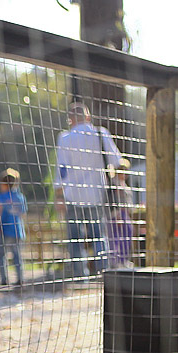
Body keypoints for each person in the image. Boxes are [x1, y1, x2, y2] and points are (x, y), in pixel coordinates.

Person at [54, 101, 126, 279]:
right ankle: (103, 274)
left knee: (75, 240)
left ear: (70, 120)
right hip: (96, 194)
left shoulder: (64, 138)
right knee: (99, 236)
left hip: (73, 195)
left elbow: (61, 169)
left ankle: (80, 276)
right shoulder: (100, 133)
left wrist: (59, 196)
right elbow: (118, 163)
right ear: (88, 116)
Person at [0, 168, 27, 286]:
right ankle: (20, 278)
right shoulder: (20, 197)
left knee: (2, 256)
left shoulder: (2, 197)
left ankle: (4, 279)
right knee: (17, 255)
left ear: (4, 184)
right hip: (18, 230)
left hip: (4, 230)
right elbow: (23, 213)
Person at [106, 162, 134, 268]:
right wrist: (116, 213)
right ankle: (115, 261)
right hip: (116, 215)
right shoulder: (113, 185)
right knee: (116, 238)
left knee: (127, 235)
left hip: (125, 214)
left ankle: (123, 259)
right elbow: (112, 200)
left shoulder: (124, 185)